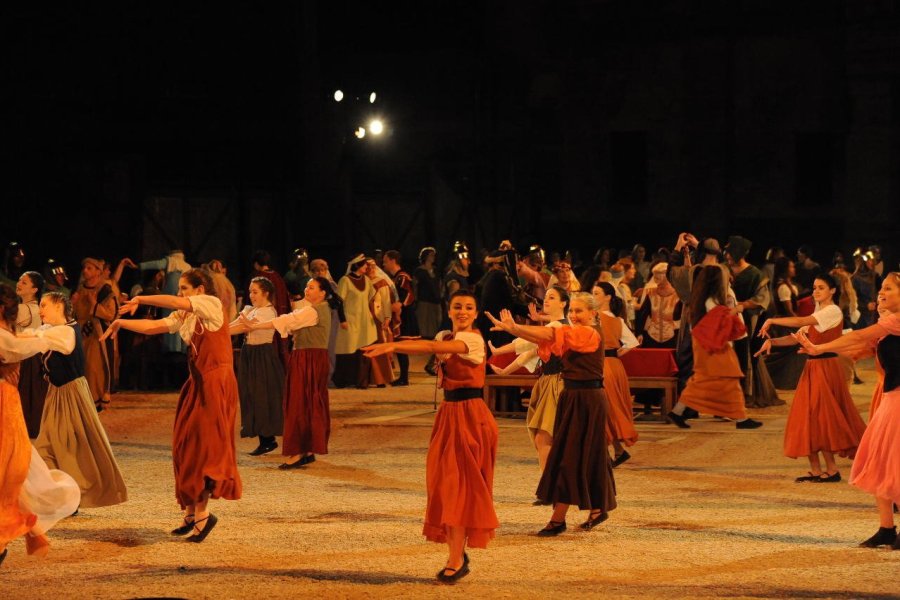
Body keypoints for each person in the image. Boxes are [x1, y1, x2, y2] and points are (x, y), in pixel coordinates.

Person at [362, 290, 498, 583]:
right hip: (449, 414)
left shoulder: (473, 340)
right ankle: (456, 550)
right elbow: (432, 343)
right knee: (444, 483)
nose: (462, 311)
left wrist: (392, 347)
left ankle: (456, 557)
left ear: (476, 314)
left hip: (471, 415)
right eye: (457, 306)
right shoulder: (446, 335)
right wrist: (399, 342)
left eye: (468, 308)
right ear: (449, 310)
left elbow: (430, 346)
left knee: (459, 486)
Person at [102, 268, 240, 542]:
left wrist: (142, 300)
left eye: (185, 289)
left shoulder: (210, 304)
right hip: (198, 381)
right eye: (180, 289)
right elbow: (157, 326)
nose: (180, 294)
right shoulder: (187, 314)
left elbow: (176, 304)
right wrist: (121, 323)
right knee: (184, 444)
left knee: (204, 448)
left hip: (215, 381)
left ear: (200, 289)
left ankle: (203, 514)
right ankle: (191, 512)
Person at [487, 292, 616, 536]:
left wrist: (516, 327)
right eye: (572, 312)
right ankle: (597, 508)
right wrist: (516, 330)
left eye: (579, 311)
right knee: (587, 455)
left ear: (593, 314)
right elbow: (541, 342)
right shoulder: (577, 332)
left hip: (587, 398)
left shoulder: (589, 332)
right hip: (575, 396)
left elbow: (550, 334)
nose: (574, 316)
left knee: (569, 456)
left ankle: (558, 519)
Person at [793, 272, 899, 548]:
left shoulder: (896, 322)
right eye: (882, 288)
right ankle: (886, 528)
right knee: (880, 461)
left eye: (888, 288)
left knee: (892, 463)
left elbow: (864, 335)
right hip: (891, 397)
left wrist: (819, 348)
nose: (881, 293)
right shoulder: (889, 324)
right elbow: (863, 343)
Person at [14, 292, 128, 508]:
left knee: (75, 446)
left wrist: (24, 338)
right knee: (47, 445)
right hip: (57, 393)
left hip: (72, 393)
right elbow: (31, 337)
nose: (41, 310)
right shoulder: (50, 330)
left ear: (59, 306)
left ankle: (75, 495)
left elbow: (50, 342)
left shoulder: (67, 332)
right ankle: (60, 496)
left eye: (44, 305)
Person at [757, 274, 867, 482]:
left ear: (832, 291)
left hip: (826, 368)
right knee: (807, 417)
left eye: (821, 288)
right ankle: (817, 470)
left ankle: (832, 469)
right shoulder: (819, 311)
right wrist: (772, 342)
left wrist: (771, 319)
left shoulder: (832, 311)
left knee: (822, 417)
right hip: (812, 367)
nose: (816, 291)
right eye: (814, 287)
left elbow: (801, 321)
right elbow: (796, 336)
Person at [0, 283, 80, 566]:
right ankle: (21, 530)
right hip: (7, 407)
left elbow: (22, 346)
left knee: (12, 470)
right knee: (12, 471)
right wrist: (41, 335)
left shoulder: (7, 336)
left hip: (6, 408)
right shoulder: (10, 336)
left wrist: (41, 335)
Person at [246, 277, 341, 470]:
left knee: (298, 403)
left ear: (323, 293)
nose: (307, 290)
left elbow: (286, 320)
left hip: (307, 359)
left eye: (312, 287)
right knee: (309, 403)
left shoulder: (312, 310)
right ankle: (308, 450)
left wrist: (254, 326)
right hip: (314, 358)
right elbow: (290, 323)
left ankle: (297, 452)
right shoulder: (316, 309)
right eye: (306, 286)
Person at [667, 265, 763, 430]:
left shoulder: (699, 300)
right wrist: (734, 311)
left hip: (704, 344)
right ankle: (741, 419)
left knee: (703, 380)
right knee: (728, 380)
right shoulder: (712, 301)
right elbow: (721, 321)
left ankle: (677, 412)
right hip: (714, 346)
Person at [489, 286, 569, 476]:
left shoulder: (559, 326)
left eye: (552, 297)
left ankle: (548, 484)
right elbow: (530, 352)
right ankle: (552, 481)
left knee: (544, 438)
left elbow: (527, 342)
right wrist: (505, 368)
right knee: (547, 438)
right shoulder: (551, 327)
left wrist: (511, 330)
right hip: (549, 382)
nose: (546, 301)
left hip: (557, 384)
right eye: (546, 297)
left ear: (563, 303)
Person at [229, 277, 285, 457]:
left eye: (255, 292)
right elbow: (237, 325)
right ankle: (265, 439)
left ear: (266, 293)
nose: (251, 295)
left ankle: (268, 439)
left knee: (262, 395)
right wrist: (219, 330)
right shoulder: (253, 310)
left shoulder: (267, 312)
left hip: (261, 355)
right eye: (250, 291)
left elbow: (242, 328)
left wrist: (217, 332)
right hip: (250, 354)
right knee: (251, 395)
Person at [725, 235, 782, 409]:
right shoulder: (723, 270)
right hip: (726, 318)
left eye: (729, 252)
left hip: (748, 320)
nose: (727, 255)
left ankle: (748, 393)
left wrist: (741, 305)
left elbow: (762, 299)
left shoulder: (755, 274)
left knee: (747, 355)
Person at [592, 282, 639, 467]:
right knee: (609, 408)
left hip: (601, 366)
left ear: (608, 297)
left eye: (596, 293)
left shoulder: (596, 318)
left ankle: (608, 453)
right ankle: (616, 451)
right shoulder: (618, 320)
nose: (593, 296)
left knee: (602, 409)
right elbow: (632, 342)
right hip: (615, 366)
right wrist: (616, 353)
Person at [72, 258, 118, 411]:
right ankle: (81, 401)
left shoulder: (105, 291)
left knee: (94, 369)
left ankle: (95, 399)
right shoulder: (79, 291)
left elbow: (112, 314)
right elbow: (74, 314)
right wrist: (72, 304)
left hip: (97, 336)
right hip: (80, 334)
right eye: (84, 268)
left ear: (98, 271)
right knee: (81, 368)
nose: (85, 271)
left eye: (90, 268)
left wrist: (95, 305)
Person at [762, 257, 807, 390]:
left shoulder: (790, 286)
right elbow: (789, 311)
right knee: (788, 352)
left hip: (789, 322)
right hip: (785, 324)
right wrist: (800, 323)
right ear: (785, 270)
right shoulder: (783, 287)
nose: (794, 269)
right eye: (791, 267)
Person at [333, 254, 377, 388]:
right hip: (350, 320)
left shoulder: (367, 280)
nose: (367, 267)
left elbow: (371, 297)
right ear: (357, 265)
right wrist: (342, 320)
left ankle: (361, 381)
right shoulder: (345, 280)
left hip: (364, 320)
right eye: (364, 265)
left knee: (363, 350)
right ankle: (344, 380)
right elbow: (339, 301)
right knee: (348, 349)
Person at [15, 272, 48, 438]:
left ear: (34, 289)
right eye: (20, 280)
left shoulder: (26, 309)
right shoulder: (36, 308)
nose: (19, 283)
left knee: (25, 400)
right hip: (32, 358)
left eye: (25, 282)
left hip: (27, 360)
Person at [382, 250, 416, 386]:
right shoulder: (397, 277)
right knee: (400, 346)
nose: (384, 264)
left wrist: (400, 304)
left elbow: (410, 294)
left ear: (392, 260)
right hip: (400, 315)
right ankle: (403, 377)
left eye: (385, 261)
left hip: (404, 317)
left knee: (402, 346)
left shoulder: (402, 277)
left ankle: (404, 377)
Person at [634, 262, 681, 349]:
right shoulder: (651, 293)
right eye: (654, 275)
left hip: (673, 338)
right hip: (651, 337)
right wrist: (639, 333)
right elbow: (642, 314)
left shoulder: (679, 295)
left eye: (658, 275)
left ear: (667, 276)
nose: (655, 278)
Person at [365, 258, 395, 387]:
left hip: (377, 318)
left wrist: (387, 318)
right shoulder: (362, 281)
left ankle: (381, 378)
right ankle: (367, 378)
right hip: (364, 319)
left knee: (379, 347)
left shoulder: (381, 282)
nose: (371, 268)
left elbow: (386, 301)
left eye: (373, 266)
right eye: (368, 266)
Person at [414, 247, 442, 376]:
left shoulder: (436, 271)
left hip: (435, 302)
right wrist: (415, 301)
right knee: (427, 330)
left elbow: (439, 285)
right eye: (430, 255)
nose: (433, 257)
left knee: (436, 329)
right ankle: (429, 358)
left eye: (434, 255)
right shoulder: (419, 271)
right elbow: (415, 287)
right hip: (425, 302)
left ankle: (433, 359)